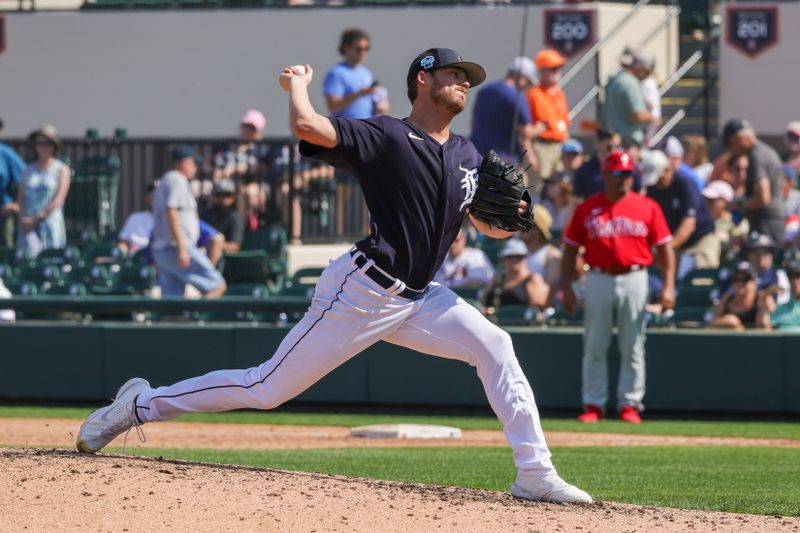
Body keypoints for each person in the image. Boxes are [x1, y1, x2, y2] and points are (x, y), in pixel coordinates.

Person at [76, 48, 592, 504]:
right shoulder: (387, 134)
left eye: (467, 79)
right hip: (361, 291)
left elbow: (481, 221)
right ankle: (138, 406)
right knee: (266, 388)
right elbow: (309, 128)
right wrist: (297, 86)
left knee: (496, 345)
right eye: (455, 75)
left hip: (421, 297)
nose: (464, 84)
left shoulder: (467, 155)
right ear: (424, 80)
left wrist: (514, 217)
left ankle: (535, 475)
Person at [561, 150, 675, 424]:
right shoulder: (587, 208)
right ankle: (594, 404)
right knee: (595, 344)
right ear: (604, 175)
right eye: (617, 173)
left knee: (633, 344)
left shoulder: (647, 207)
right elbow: (569, 250)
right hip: (598, 277)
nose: (623, 179)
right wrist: (566, 286)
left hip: (635, 276)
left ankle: (630, 404)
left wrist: (669, 286)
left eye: (627, 174)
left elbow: (665, 249)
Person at [150, 145, 227, 299]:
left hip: (163, 250)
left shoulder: (165, 180)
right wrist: (182, 249)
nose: (195, 167)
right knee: (218, 286)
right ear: (183, 162)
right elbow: (171, 211)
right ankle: (200, 318)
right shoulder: (177, 179)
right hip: (176, 248)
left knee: (173, 306)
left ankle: (179, 321)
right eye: (193, 162)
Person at [642, 150, 718, 279]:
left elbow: (688, 224)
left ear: (667, 170)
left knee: (699, 279)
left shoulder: (684, 184)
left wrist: (667, 249)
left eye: (659, 178)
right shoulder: (652, 189)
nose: (656, 183)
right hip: (673, 244)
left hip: (700, 241)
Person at [13, 125, 70, 258]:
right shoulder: (28, 170)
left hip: (50, 224)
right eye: (40, 143)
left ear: (54, 146)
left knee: (51, 259)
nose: (43, 147)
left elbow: (59, 199)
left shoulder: (61, 169)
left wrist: (39, 217)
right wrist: (24, 218)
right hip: (28, 226)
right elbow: (21, 197)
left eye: (48, 143)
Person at [470, 56, 537, 170]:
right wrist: (542, 127)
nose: (527, 87)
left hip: (477, 154)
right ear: (523, 77)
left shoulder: (485, 90)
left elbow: (472, 121)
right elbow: (526, 132)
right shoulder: (516, 96)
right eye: (529, 82)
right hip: (505, 158)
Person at [724, 119, 785, 244]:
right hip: (771, 222)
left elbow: (763, 198)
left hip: (766, 223)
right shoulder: (764, 152)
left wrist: (737, 204)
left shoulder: (757, 156)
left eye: (730, 144)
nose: (731, 150)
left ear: (738, 137)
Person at [323, 28, 389, 119]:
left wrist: (382, 105)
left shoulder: (366, 72)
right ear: (347, 48)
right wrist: (358, 94)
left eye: (366, 48)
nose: (363, 53)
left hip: (365, 128)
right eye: (359, 49)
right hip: (345, 129)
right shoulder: (336, 73)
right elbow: (333, 106)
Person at [526, 49, 570, 180]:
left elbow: (564, 123)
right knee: (541, 184)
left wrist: (568, 146)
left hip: (560, 146)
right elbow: (526, 128)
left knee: (563, 183)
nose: (557, 71)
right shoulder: (534, 94)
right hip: (541, 146)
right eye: (553, 68)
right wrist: (530, 154)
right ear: (542, 71)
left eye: (558, 68)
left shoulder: (559, 93)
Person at [600, 49, 656, 150]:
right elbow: (637, 115)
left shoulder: (615, 80)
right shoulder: (630, 82)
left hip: (613, 141)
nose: (645, 77)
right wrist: (653, 118)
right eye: (646, 72)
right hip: (627, 145)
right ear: (640, 68)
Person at [481, 238, 548, 314]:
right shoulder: (497, 279)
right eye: (509, 257)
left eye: (518, 256)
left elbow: (537, 309)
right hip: (495, 323)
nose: (514, 260)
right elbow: (483, 302)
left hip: (521, 324)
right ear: (503, 259)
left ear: (525, 257)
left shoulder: (533, 279)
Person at [574, 128, 643, 200]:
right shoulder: (585, 170)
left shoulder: (630, 168)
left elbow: (640, 195)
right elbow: (577, 199)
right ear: (598, 144)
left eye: (617, 147)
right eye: (609, 147)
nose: (613, 151)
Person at [211, 109, 271, 186]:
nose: (247, 130)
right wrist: (217, 170)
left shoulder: (262, 148)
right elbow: (214, 161)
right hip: (222, 183)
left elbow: (263, 167)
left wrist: (233, 169)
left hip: (248, 184)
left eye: (252, 128)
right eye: (245, 125)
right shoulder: (227, 145)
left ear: (259, 132)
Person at [709, 261, 772, 330]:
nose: (740, 283)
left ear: (754, 281)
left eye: (745, 279)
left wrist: (762, 310)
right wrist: (726, 322)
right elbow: (710, 325)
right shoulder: (727, 299)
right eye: (736, 279)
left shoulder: (763, 298)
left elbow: (767, 330)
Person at [521, 205, 562, 306]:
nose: (521, 227)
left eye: (527, 224)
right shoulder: (516, 253)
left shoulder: (552, 254)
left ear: (538, 229)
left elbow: (551, 290)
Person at [433, 224, 494, 289]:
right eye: (449, 240)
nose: (452, 244)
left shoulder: (475, 255)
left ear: (464, 239)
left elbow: (478, 284)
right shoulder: (440, 257)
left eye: (456, 240)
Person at [201, 178, 246, 254]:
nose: (223, 199)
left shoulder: (236, 218)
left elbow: (235, 247)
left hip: (225, 259)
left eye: (227, 195)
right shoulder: (206, 214)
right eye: (219, 195)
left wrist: (215, 244)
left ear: (233, 197)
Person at [0, 135, 25, 248]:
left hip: (3, 218)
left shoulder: (5, 153)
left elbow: (28, 181)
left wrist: (17, 204)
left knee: (5, 255)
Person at [117, 183, 155, 256]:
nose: (155, 197)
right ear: (147, 197)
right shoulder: (134, 218)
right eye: (152, 194)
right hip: (134, 260)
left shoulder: (170, 221)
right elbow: (123, 242)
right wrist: (122, 251)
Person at [701, 179, 736, 247]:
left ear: (726, 203)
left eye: (711, 200)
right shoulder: (700, 219)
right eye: (705, 199)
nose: (706, 203)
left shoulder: (736, 225)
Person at [769, 261, 800, 331]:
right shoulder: (781, 309)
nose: (794, 281)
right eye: (791, 278)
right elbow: (765, 329)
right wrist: (765, 296)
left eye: (798, 277)